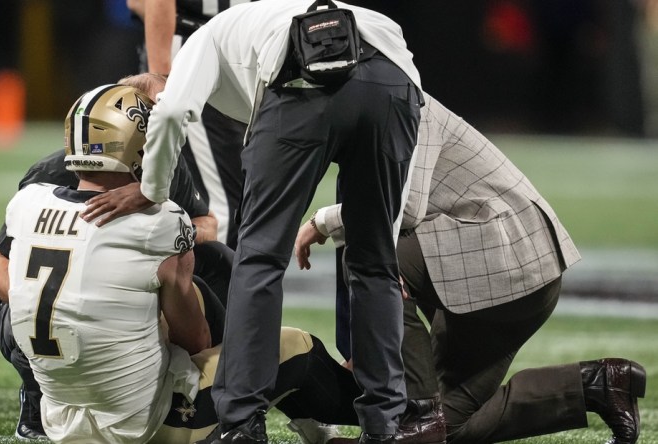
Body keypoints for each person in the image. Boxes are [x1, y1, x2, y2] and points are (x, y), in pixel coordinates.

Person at [84, 1, 424, 442]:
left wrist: (152, 187)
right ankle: (385, 423)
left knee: (259, 260)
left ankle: (242, 423)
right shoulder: (280, 17)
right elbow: (408, 92)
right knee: (375, 264)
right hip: (396, 80)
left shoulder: (208, 37)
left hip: (298, 80)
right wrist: (386, 241)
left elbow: (170, 111)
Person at [2, 82, 380, 444]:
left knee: (189, 297)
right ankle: (388, 412)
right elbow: (195, 339)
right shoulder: (160, 223)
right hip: (146, 426)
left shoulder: (27, 203)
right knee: (292, 345)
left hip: (65, 425)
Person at [294, 92, 647, 444]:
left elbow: (404, 204)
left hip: (503, 260)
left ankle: (418, 415)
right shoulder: (378, 104)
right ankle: (598, 383)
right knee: (452, 427)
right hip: (509, 274)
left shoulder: (399, 101)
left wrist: (323, 220)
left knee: (373, 256)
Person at [0, 73, 233, 440]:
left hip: (126, 291)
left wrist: (168, 243)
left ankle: (197, 390)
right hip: (49, 309)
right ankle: (36, 397)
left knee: (219, 262)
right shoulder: (54, 174)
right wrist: (60, 302)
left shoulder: (164, 165)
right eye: (156, 110)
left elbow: (206, 223)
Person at [126, 0, 250, 249]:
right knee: (221, 205)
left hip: (232, 52)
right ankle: (223, 286)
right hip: (204, 53)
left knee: (234, 198)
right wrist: (162, 79)